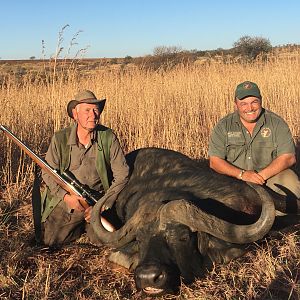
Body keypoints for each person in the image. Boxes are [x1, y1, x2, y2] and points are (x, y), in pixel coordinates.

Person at [40, 90, 129, 246]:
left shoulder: (108, 136)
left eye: (96, 110)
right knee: (51, 241)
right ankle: (80, 226)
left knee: (107, 241)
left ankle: (87, 225)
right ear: (75, 114)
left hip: (98, 200)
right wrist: (67, 197)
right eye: (87, 110)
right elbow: (47, 173)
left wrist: (102, 204)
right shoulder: (60, 138)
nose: (93, 115)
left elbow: (122, 174)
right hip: (70, 200)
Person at [208, 80, 300, 205]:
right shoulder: (223, 126)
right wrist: (242, 174)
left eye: (254, 102)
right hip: (234, 179)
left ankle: (283, 221)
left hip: (269, 177)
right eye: (244, 104)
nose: (249, 108)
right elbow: (215, 162)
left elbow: (288, 158)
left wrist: (260, 176)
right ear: (235, 104)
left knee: (291, 182)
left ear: (261, 101)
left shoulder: (276, 123)